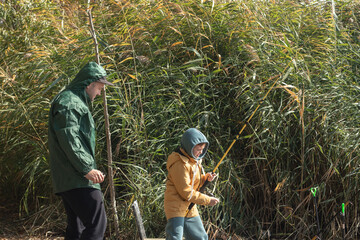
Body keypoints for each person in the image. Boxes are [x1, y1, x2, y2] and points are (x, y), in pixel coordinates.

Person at [48, 62, 114, 240]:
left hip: (70, 176)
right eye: (99, 88)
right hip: (77, 177)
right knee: (96, 224)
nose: (100, 93)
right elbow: (69, 139)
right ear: (89, 84)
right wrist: (86, 169)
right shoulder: (70, 102)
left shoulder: (72, 101)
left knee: (77, 229)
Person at [164, 128, 220, 240]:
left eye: (202, 149)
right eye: (198, 149)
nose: (200, 152)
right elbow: (186, 192)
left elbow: (194, 182)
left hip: (190, 207)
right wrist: (208, 200)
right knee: (175, 237)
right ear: (189, 147)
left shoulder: (193, 160)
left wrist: (205, 179)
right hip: (176, 207)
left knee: (200, 237)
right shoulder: (179, 164)